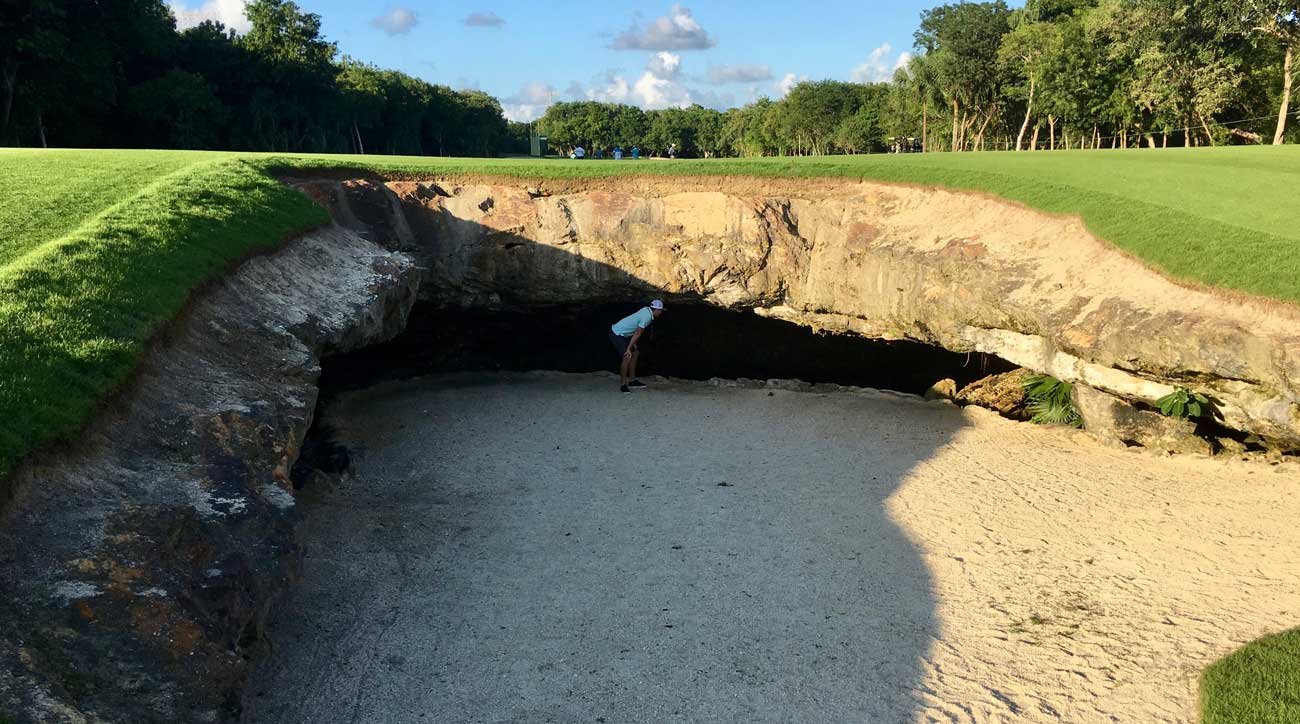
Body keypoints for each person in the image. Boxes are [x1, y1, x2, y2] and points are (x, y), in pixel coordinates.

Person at [608, 299, 665, 393]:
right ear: (656, 310)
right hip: (617, 333)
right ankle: (623, 385)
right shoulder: (647, 317)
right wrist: (629, 348)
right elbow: (638, 333)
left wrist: (632, 345)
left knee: (636, 353)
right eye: (661, 311)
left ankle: (632, 380)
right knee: (627, 356)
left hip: (625, 334)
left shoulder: (647, 310)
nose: (661, 313)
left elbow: (635, 327)